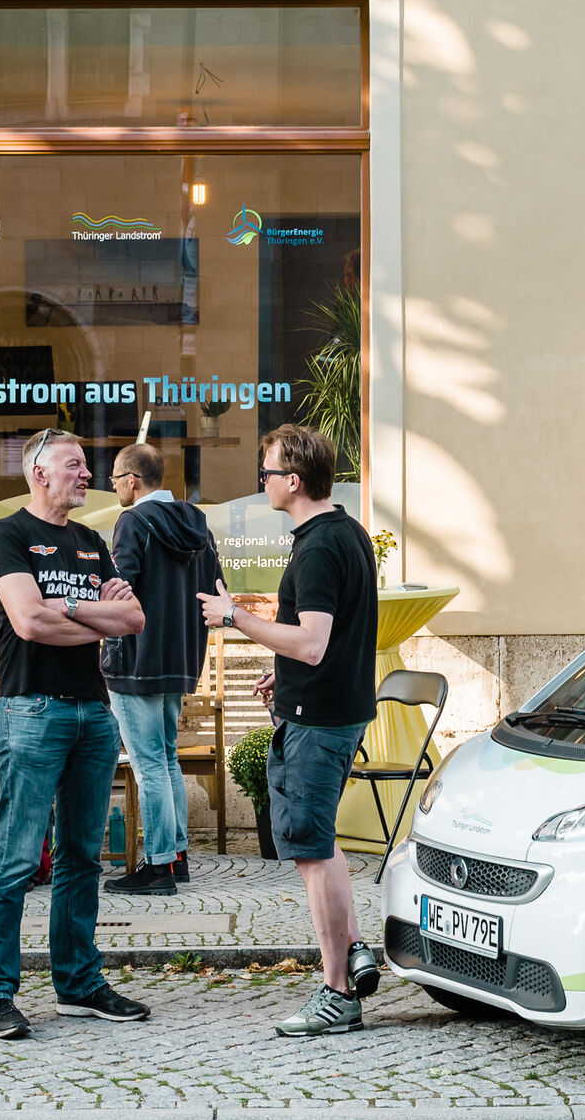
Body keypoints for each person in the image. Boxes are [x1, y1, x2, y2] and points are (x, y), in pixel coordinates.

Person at [198, 423, 382, 1037]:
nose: (264, 482)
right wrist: (287, 677)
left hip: (319, 722)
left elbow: (312, 642)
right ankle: (354, 953)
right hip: (324, 705)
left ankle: (336, 994)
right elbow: (335, 639)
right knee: (319, 842)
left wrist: (234, 616)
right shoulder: (346, 533)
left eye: (269, 473)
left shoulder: (319, 547)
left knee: (310, 848)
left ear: (294, 481)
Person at [0, 428, 149, 1040]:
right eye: (74, 465)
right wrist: (87, 616)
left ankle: (78, 983)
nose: (87, 474)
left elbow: (133, 618)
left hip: (94, 714)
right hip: (33, 712)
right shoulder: (8, 536)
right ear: (39, 473)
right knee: (16, 857)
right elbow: (26, 621)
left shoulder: (93, 541)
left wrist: (64, 611)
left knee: (80, 856)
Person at [99, 441, 219, 896]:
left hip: (136, 657)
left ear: (133, 480)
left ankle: (159, 866)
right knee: (166, 758)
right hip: (180, 659)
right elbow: (213, 587)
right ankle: (178, 855)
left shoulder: (133, 521)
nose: (112, 487)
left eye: (114, 479)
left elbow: (119, 589)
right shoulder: (197, 523)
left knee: (148, 764)